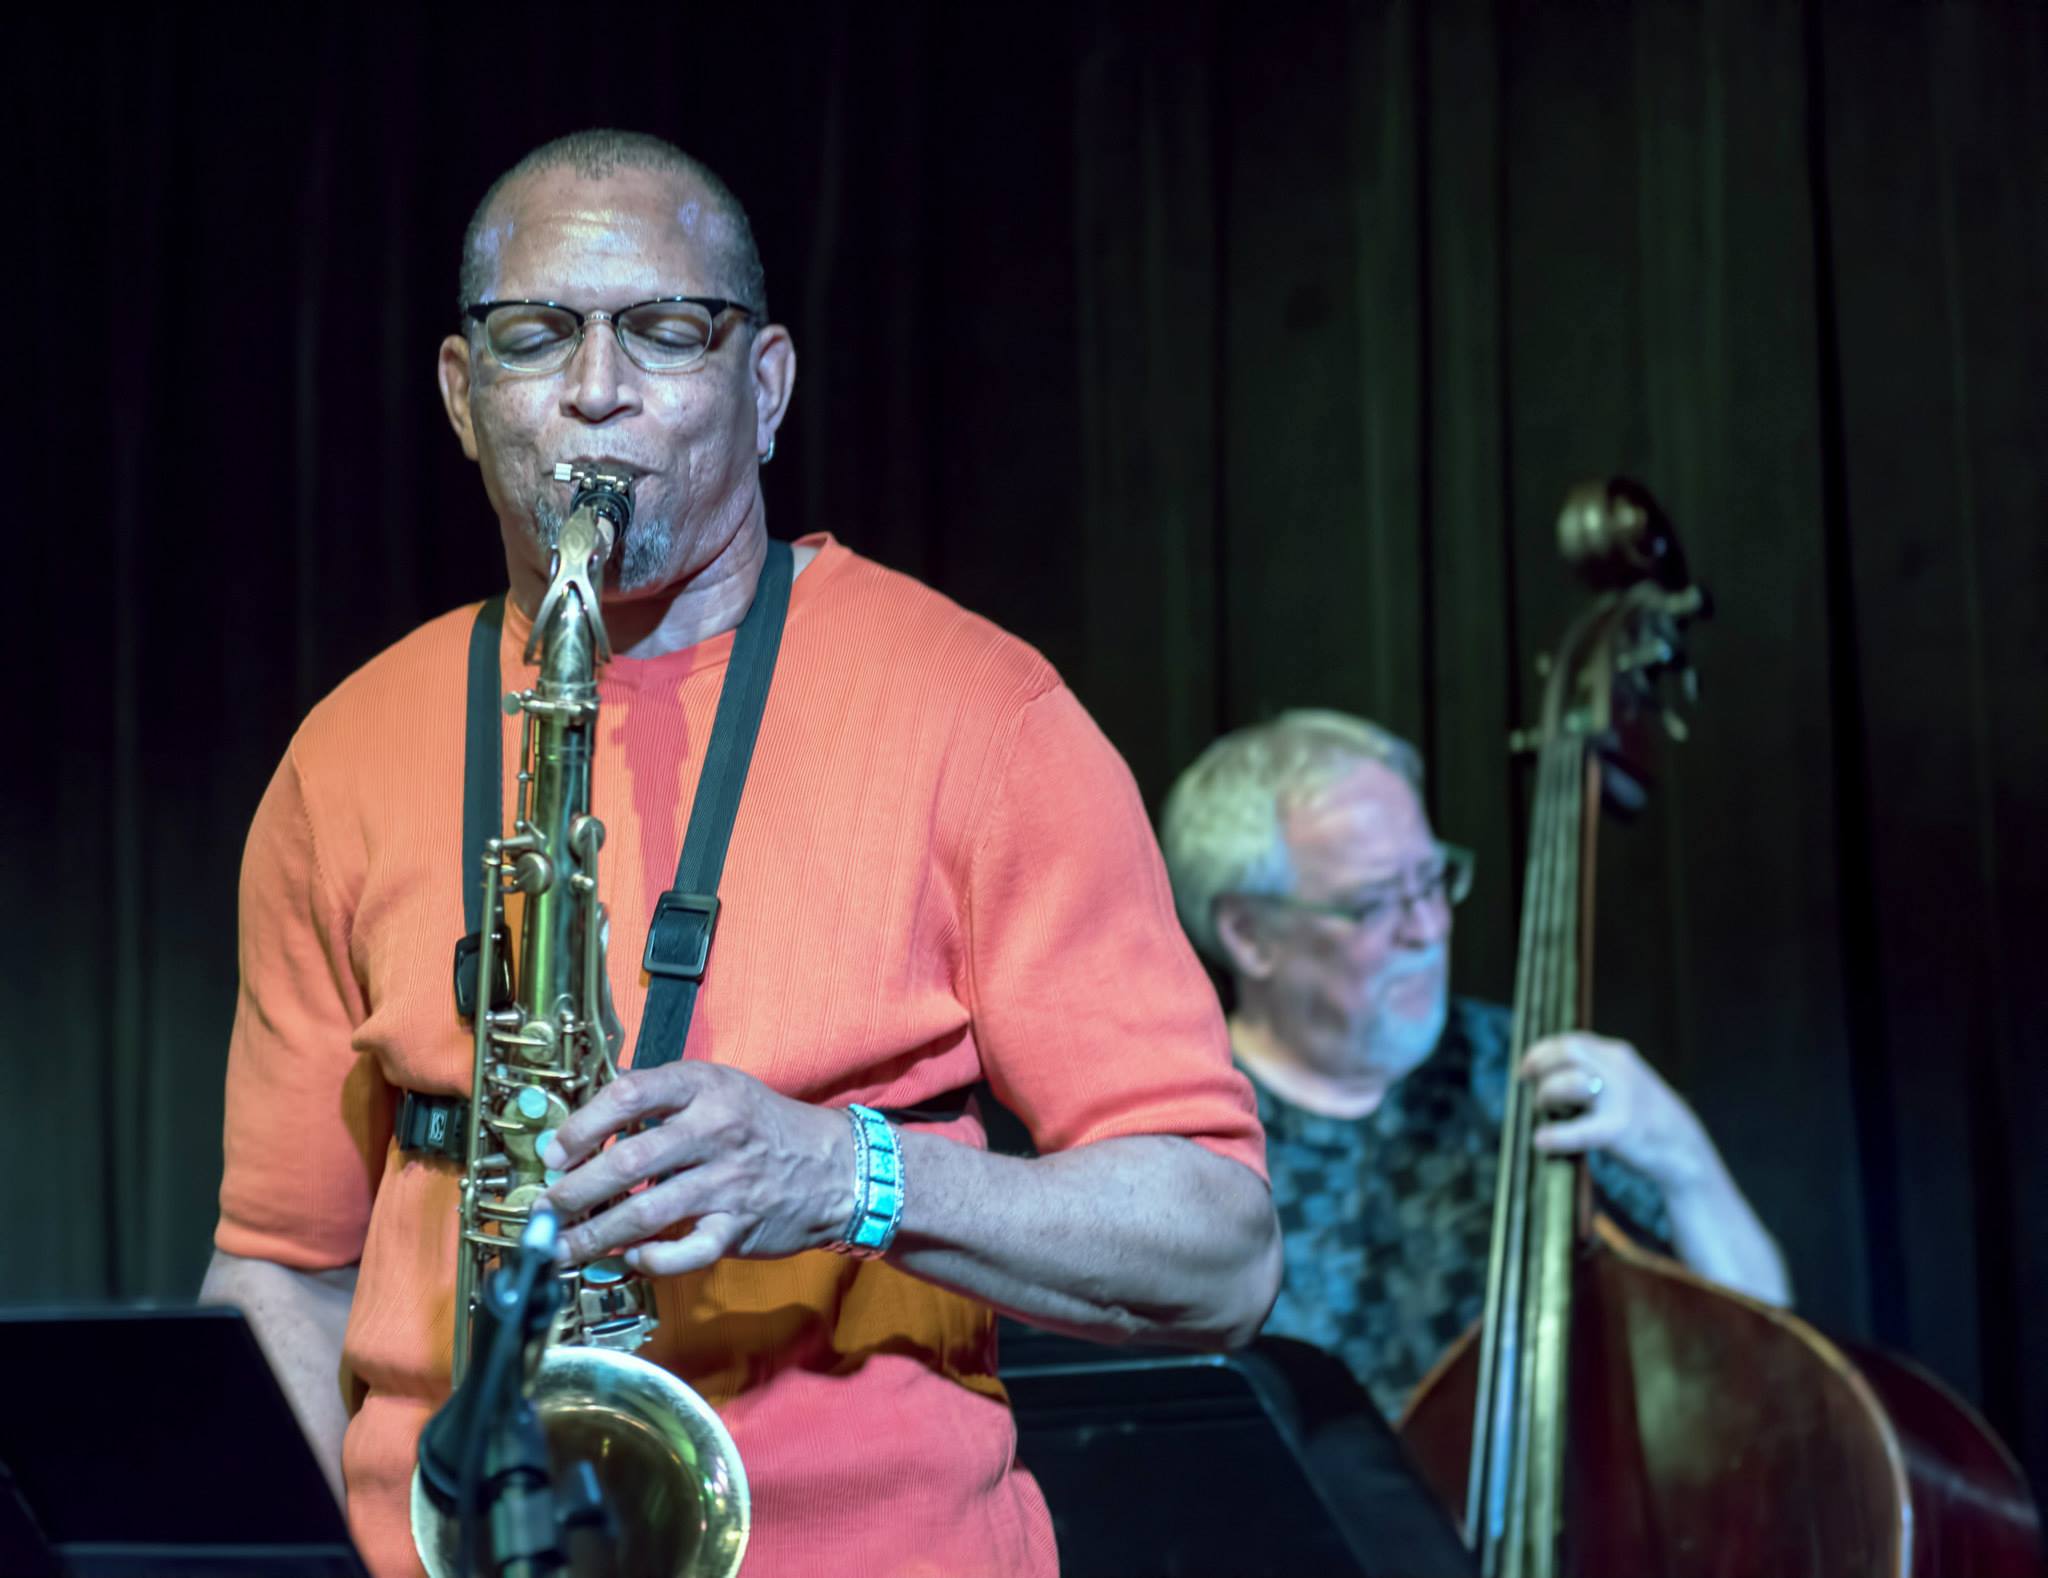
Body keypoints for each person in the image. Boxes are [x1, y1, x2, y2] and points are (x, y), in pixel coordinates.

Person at [199, 129, 1279, 1578]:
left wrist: (852, 1175)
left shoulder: (988, 714)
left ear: (763, 386)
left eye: (663, 331)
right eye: (535, 338)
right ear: (464, 398)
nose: (595, 391)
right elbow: (277, 1268)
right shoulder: (342, 754)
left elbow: (1221, 1252)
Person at [1159, 709, 1789, 1420]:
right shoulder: (1180, 1133)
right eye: (1372, 905)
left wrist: (1684, 1160)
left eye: (1432, 881)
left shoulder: (1528, 1072)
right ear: (1248, 934)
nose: (1428, 929)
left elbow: (1770, 1354)